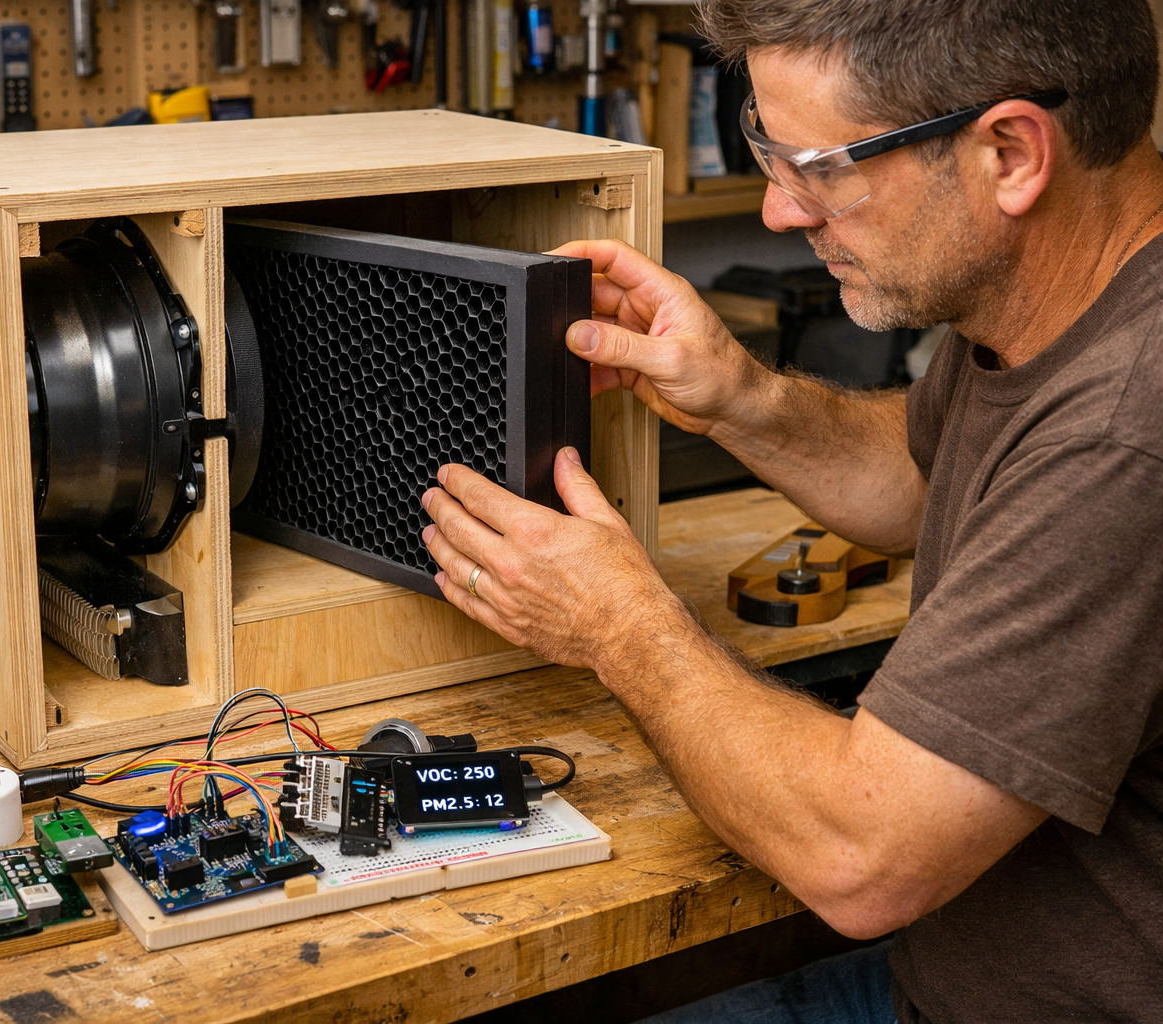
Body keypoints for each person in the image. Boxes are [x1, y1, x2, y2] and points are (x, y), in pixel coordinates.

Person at [418, 1, 1163, 1021]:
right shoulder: (1062, 295)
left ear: (1009, 154)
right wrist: (741, 399)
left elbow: (862, 856)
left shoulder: (1127, 425)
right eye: (769, 153)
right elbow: (922, 478)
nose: (781, 212)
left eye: (821, 169)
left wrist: (618, 623)